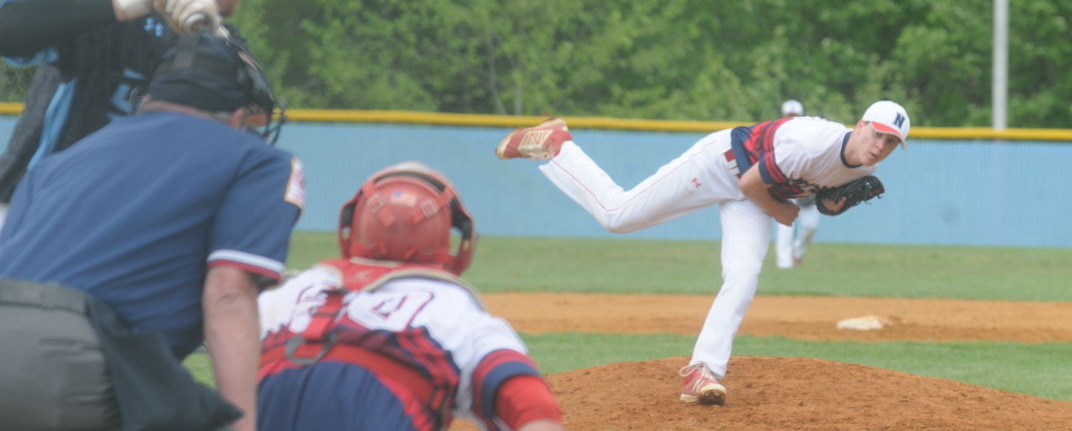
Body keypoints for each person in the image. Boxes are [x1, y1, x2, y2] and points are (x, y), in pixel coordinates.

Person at [495, 100, 910, 407]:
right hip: (720, 166)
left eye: (891, 142)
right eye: (877, 134)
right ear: (859, 125)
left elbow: (810, 191)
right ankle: (558, 145)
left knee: (744, 275)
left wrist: (829, 205)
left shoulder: (866, 167)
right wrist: (782, 212)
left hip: (753, 195)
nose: (880, 146)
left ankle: (702, 371)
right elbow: (751, 184)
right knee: (617, 216)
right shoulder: (810, 142)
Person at [0, 32, 303, 431]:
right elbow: (229, 292)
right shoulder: (256, 160)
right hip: (72, 357)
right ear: (236, 115)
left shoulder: (55, 164)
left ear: (147, 99)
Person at [0, 0, 285, 229]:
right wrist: (116, 4)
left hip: (120, 228)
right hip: (30, 214)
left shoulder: (221, 39)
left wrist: (209, 41)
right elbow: (7, 32)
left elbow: (256, 120)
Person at [257, 161, 565, 431]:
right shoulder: (452, 307)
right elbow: (531, 405)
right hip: (386, 410)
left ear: (352, 228)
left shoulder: (291, 289)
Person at [773, 99, 822, 269]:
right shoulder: (775, 134)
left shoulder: (810, 134)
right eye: (789, 116)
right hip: (784, 187)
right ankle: (784, 264)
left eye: (795, 116)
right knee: (784, 226)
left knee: (811, 226)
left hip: (806, 188)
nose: (792, 119)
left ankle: (797, 253)